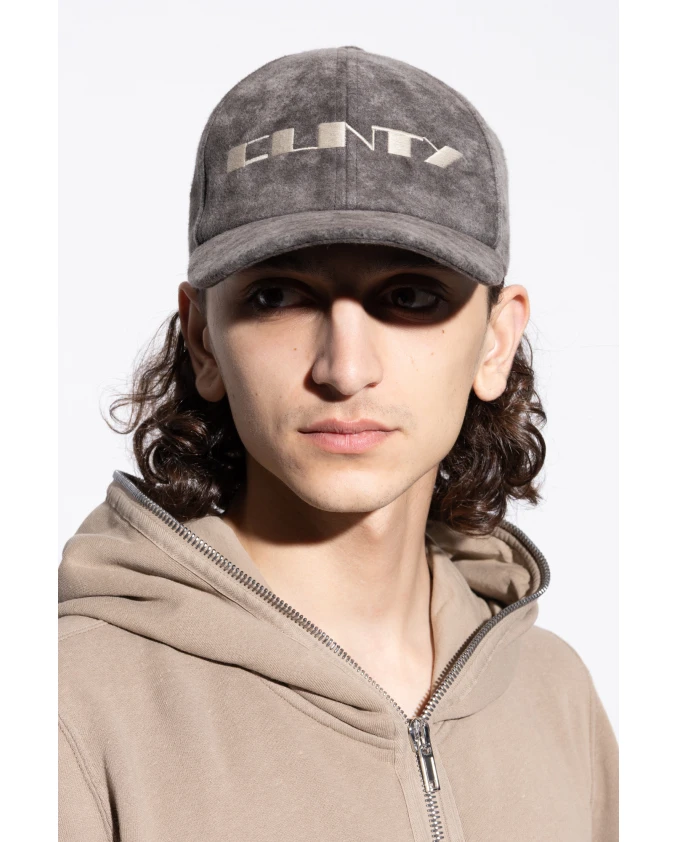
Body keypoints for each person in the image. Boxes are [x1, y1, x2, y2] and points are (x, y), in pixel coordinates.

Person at [58, 46, 618, 841]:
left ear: (495, 341)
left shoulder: (553, 692)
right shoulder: (67, 704)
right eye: (278, 296)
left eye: (410, 296)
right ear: (203, 339)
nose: (344, 369)